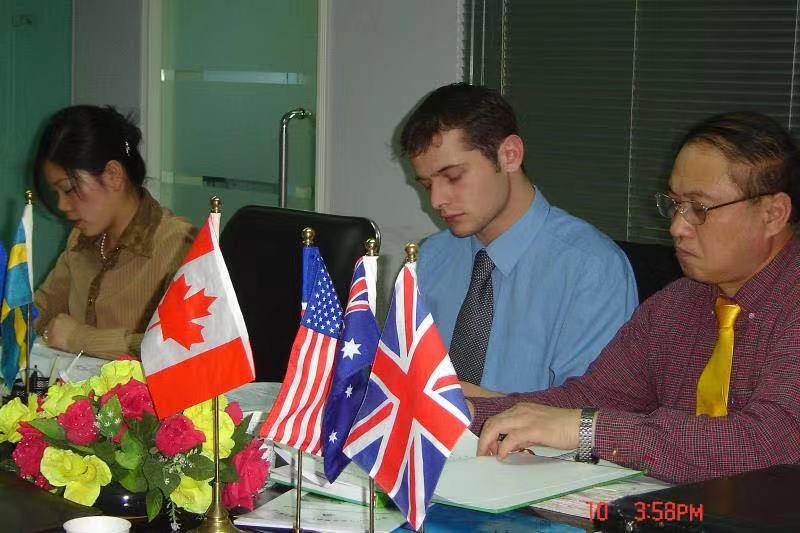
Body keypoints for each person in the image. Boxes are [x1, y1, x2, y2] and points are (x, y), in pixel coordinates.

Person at [470, 111, 800, 484]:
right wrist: (464, 411)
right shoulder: (676, 304)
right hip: (683, 510)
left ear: (773, 214)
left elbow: (768, 443)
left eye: (699, 208)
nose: (677, 226)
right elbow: (595, 398)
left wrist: (589, 430)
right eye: (675, 205)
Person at [400, 83, 638, 394]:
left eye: (454, 177)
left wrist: (473, 406)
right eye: (427, 185)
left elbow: (589, 408)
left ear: (509, 155)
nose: (436, 200)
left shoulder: (592, 269)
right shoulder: (430, 257)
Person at [32, 105, 195, 358]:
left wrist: (80, 338)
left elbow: (181, 345)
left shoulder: (178, 245)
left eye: (68, 189)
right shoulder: (81, 240)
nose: (62, 205)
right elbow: (39, 310)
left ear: (112, 175)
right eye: (56, 194)